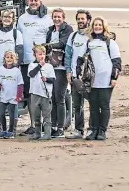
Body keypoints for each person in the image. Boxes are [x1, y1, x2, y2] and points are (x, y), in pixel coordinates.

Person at [17, 0, 53, 136]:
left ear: (40, 1)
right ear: (28, 2)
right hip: (26, 61)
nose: (33, 3)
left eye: (36, 0)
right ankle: (33, 124)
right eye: (31, 0)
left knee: (45, 91)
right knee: (31, 92)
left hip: (43, 61)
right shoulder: (22, 19)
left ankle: (48, 123)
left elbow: (50, 37)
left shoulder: (47, 18)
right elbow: (18, 37)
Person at [81, 17, 121, 141]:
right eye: (95, 25)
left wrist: (114, 77)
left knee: (104, 106)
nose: (97, 27)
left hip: (106, 81)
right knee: (93, 106)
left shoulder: (110, 42)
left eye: (100, 25)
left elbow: (116, 61)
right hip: (92, 81)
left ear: (104, 27)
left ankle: (102, 130)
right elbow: (82, 58)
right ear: (92, 27)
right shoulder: (89, 42)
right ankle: (93, 129)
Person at [45, 8, 73, 139]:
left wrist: (48, 45)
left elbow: (63, 43)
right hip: (50, 67)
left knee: (60, 98)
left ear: (63, 18)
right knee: (52, 98)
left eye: (59, 17)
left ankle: (61, 128)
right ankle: (54, 126)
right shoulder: (50, 30)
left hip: (62, 68)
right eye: (54, 16)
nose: (56, 19)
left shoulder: (67, 29)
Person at [65, 10, 92, 139]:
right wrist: (68, 71)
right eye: (79, 19)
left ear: (88, 20)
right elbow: (68, 55)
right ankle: (79, 130)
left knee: (93, 104)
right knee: (77, 105)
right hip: (75, 77)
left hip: (89, 77)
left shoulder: (92, 36)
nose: (81, 21)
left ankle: (92, 129)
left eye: (83, 19)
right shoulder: (73, 36)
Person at [0, 51, 24, 139]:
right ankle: (3, 130)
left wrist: (19, 95)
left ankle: (11, 131)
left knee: (12, 115)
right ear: (4, 59)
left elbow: (20, 84)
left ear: (14, 59)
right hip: (2, 96)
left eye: (11, 57)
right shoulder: (0, 69)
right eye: (7, 57)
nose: (9, 59)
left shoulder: (17, 71)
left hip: (13, 97)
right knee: (1, 113)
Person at [28, 44, 56, 141]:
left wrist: (46, 79)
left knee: (46, 114)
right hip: (35, 93)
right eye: (39, 54)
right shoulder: (31, 65)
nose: (42, 56)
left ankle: (47, 133)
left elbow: (53, 80)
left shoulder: (49, 66)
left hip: (46, 94)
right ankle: (37, 133)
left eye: (43, 54)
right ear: (35, 55)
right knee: (36, 115)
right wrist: (39, 66)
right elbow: (31, 74)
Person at [0, 9, 23, 76]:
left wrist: (14, 68)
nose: (7, 19)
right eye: (5, 16)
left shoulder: (17, 33)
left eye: (9, 17)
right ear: (1, 18)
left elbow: (19, 53)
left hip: (12, 71)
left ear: (13, 19)